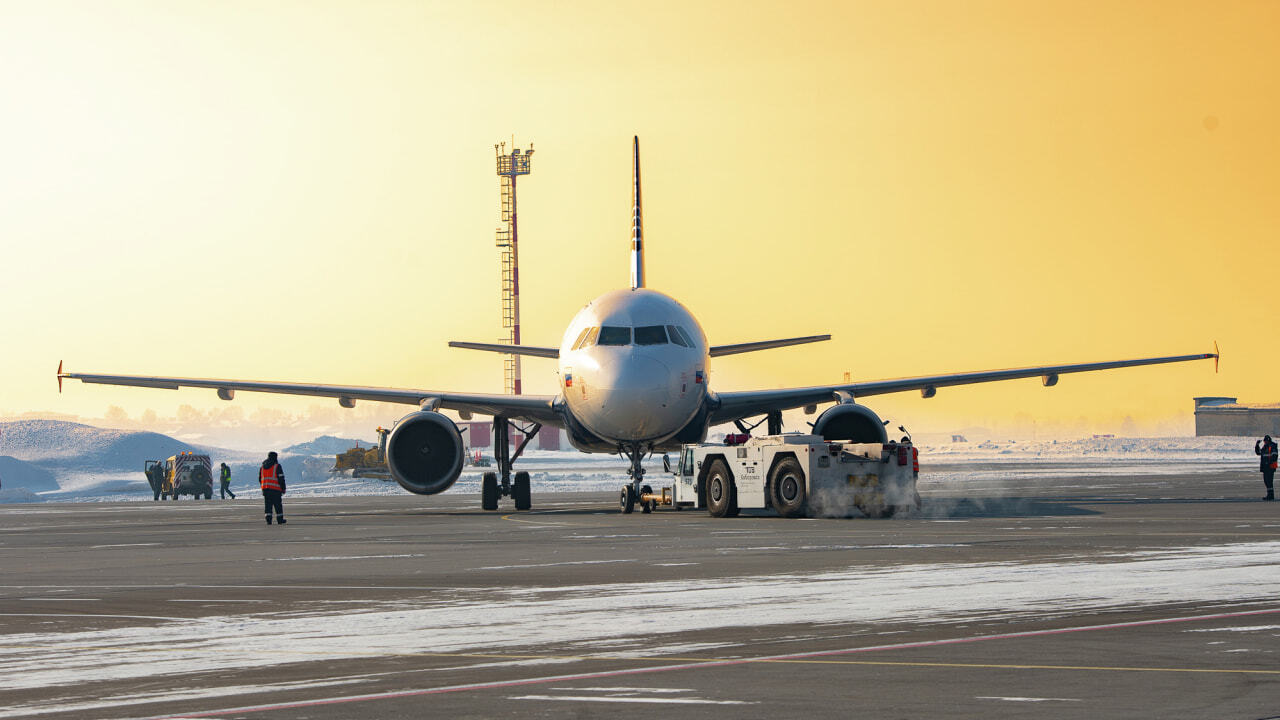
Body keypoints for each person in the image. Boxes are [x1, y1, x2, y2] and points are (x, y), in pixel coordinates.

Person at [259, 451, 287, 524]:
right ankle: (280, 520)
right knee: (278, 505)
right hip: (275, 490)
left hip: (266, 489)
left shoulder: (262, 467)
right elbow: (281, 478)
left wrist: (264, 486)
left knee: (268, 505)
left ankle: (268, 520)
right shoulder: (277, 466)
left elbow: (260, 478)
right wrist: (283, 488)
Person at [1255, 436, 1277, 501]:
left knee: (1269, 481)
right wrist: (1257, 445)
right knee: (1266, 481)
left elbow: (1275, 455)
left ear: (1268, 440)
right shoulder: (1265, 447)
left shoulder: (1272, 446)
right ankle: (1269, 494)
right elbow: (1258, 452)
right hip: (1265, 467)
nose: (1264, 442)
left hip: (1270, 467)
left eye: (1265, 441)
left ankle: (1271, 495)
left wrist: (1269, 462)